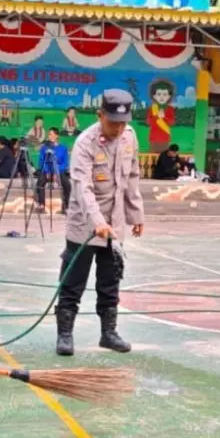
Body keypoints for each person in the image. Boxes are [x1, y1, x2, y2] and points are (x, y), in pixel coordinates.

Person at [55, 89, 145, 356]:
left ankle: (109, 333)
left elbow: (132, 176)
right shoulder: (85, 143)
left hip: (114, 223)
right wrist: (97, 222)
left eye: (123, 123)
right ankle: (65, 335)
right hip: (84, 224)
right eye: (113, 123)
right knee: (73, 281)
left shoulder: (130, 137)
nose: (119, 129)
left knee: (110, 279)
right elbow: (82, 188)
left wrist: (136, 214)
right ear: (99, 115)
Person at [35, 127, 70, 213]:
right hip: (47, 171)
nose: (50, 136)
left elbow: (65, 163)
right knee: (39, 182)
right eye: (49, 134)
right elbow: (41, 162)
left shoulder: (63, 148)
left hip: (59, 172)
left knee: (67, 185)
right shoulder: (44, 148)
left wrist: (56, 172)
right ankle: (41, 204)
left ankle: (66, 206)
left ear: (57, 135)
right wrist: (47, 171)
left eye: (52, 134)